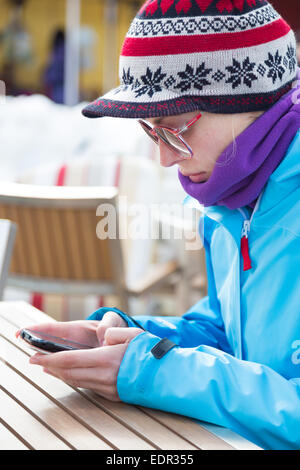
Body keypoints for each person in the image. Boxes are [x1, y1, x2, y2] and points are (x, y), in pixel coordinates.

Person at [16, 0, 300, 450]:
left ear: (250, 99)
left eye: (174, 128)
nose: (166, 158)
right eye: (152, 132)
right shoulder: (237, 197)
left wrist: (151, 370)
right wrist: (131, 338)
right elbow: (229, 331)